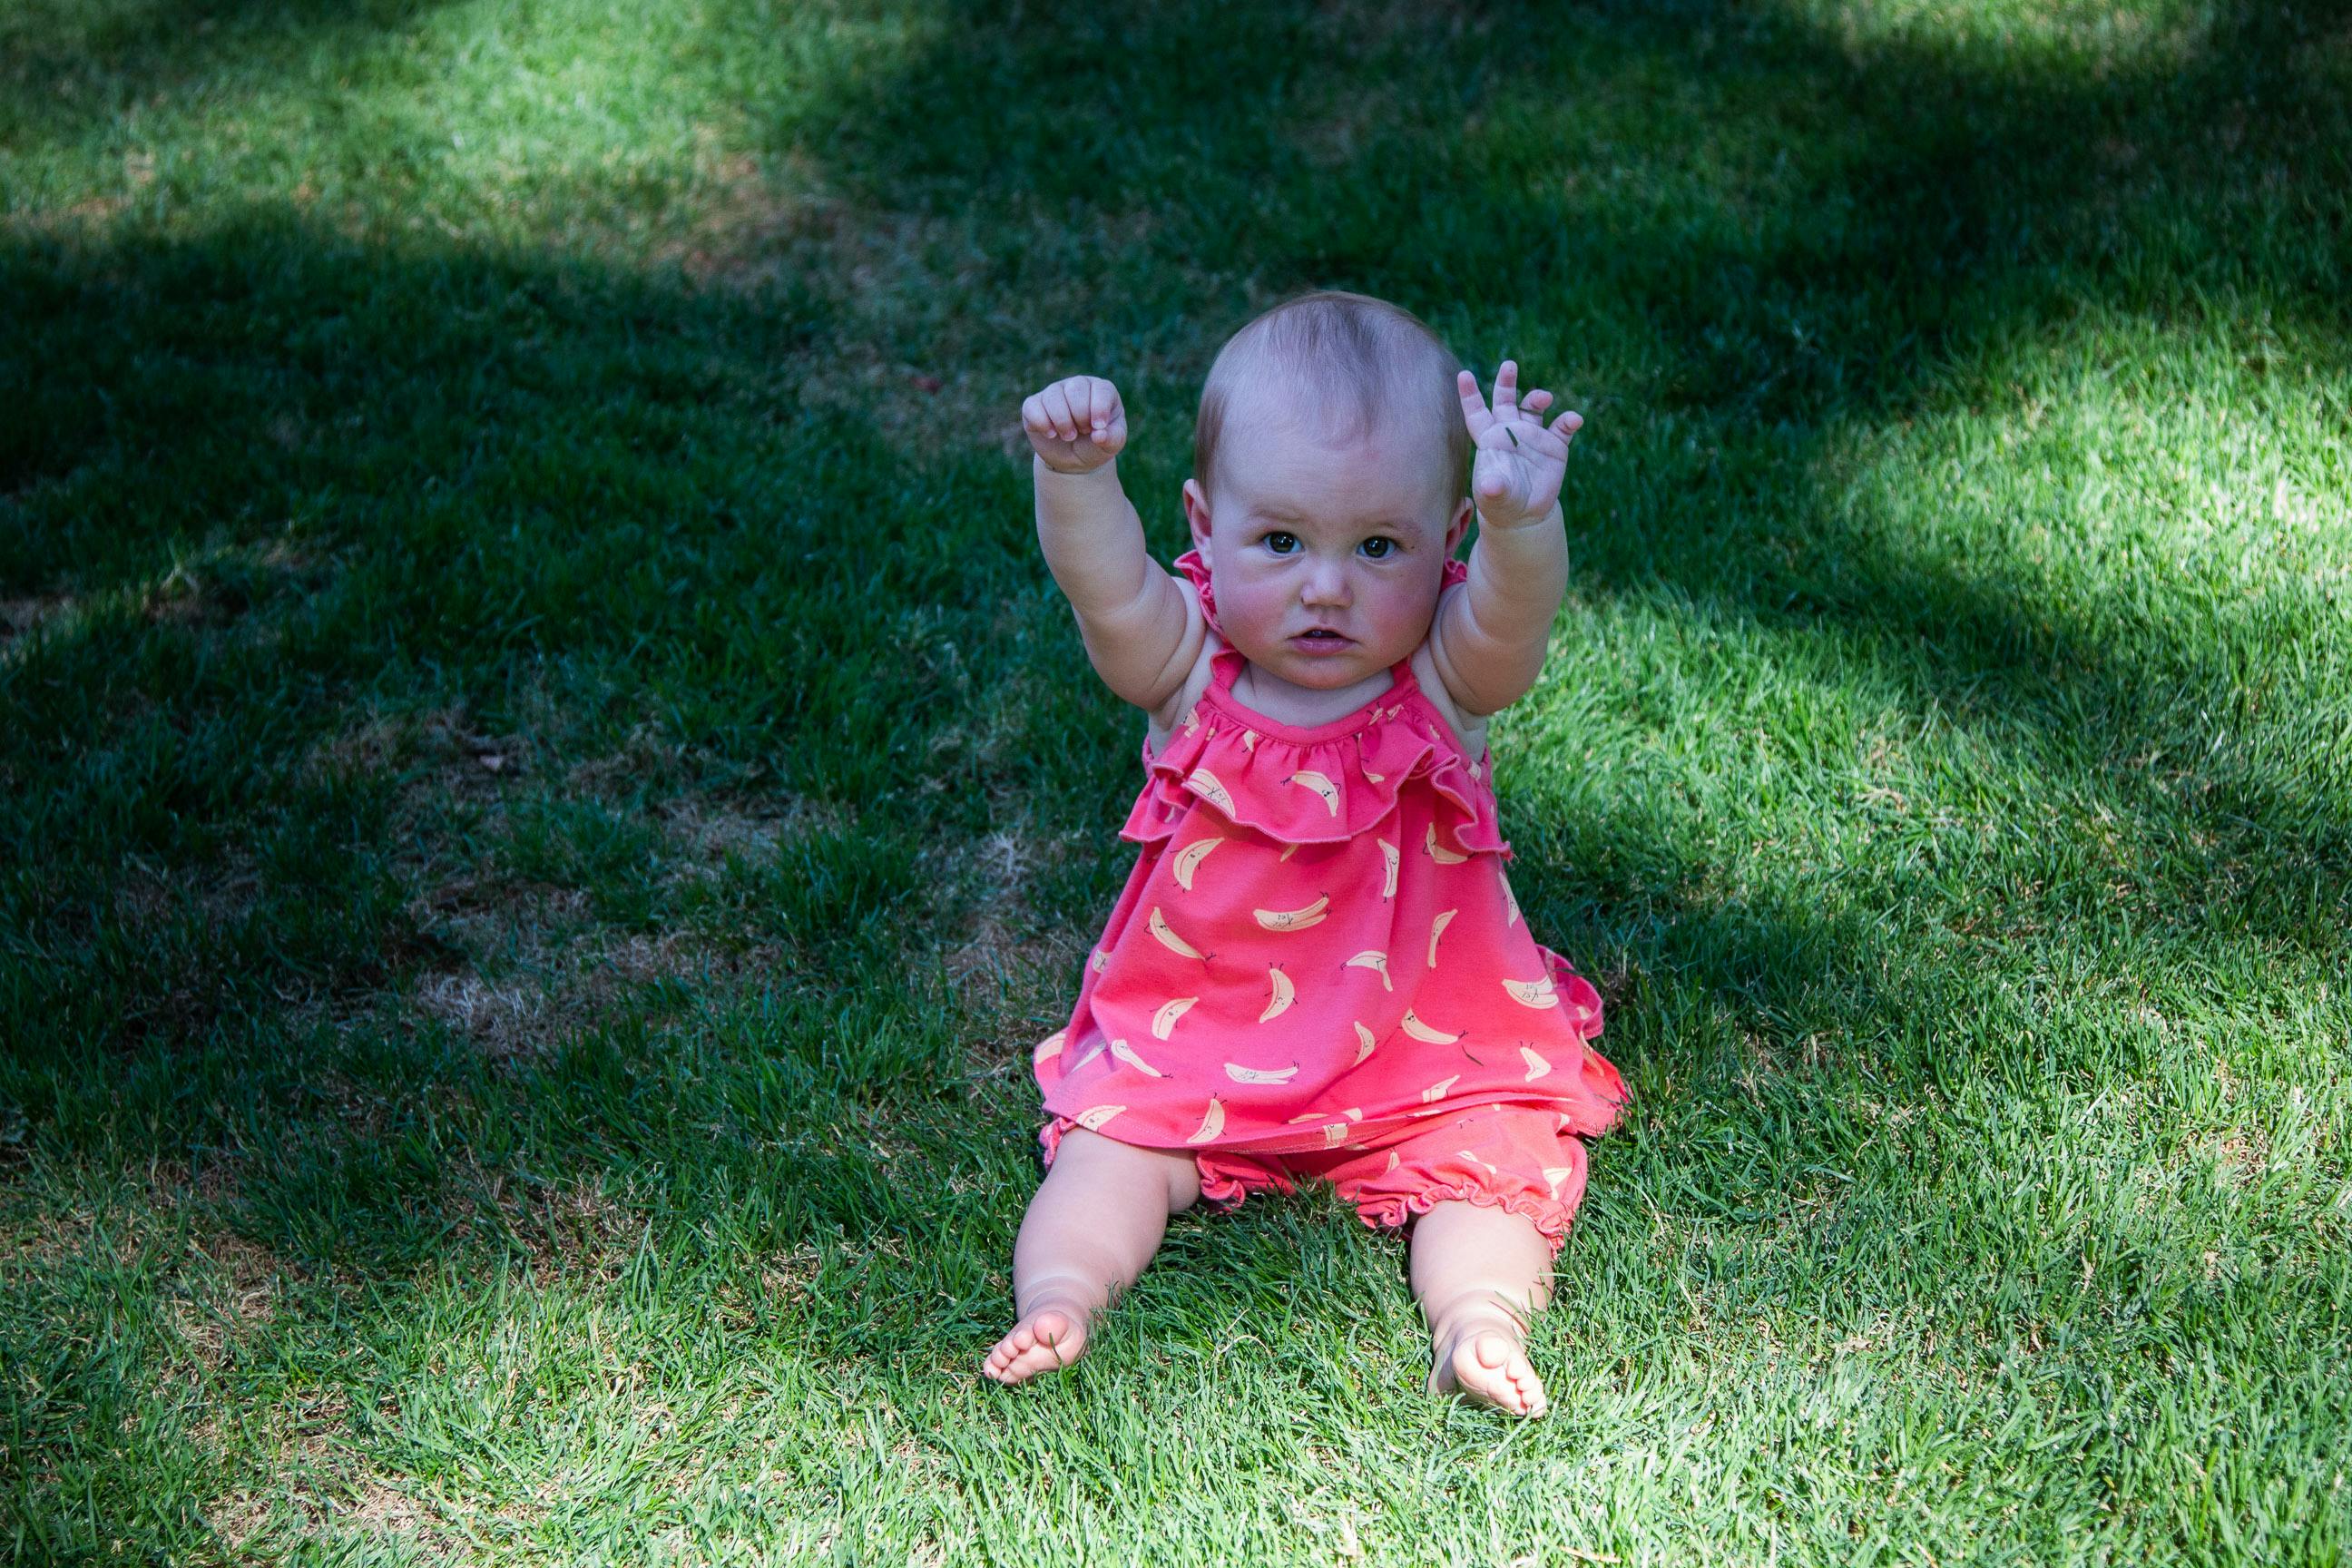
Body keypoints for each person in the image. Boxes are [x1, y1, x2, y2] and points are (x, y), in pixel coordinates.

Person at [985, 290, 1629, 1417]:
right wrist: (1076, 481)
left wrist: (1527, 532)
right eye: (1279, 542)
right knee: (1112, 1150)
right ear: (1201, 526)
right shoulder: (1187, 673)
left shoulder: (1441, 685)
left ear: (1445, 546)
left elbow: (1510, 626)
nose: (1325, 586)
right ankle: (1064, 1294)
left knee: (1487, 1167)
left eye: (1378, 546)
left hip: (1423, 1044)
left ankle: (1476, 1318)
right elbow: (1105, 587)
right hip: (1206, 1038)